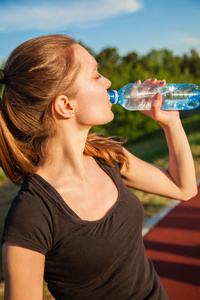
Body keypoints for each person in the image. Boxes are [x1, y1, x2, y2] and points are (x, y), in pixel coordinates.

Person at [0, 34, 197, 300]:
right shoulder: (32, 215)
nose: (108, 82)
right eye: (96, 76)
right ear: (65, 105)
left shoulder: (107, 156)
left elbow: (183, 189)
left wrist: (170, 123)